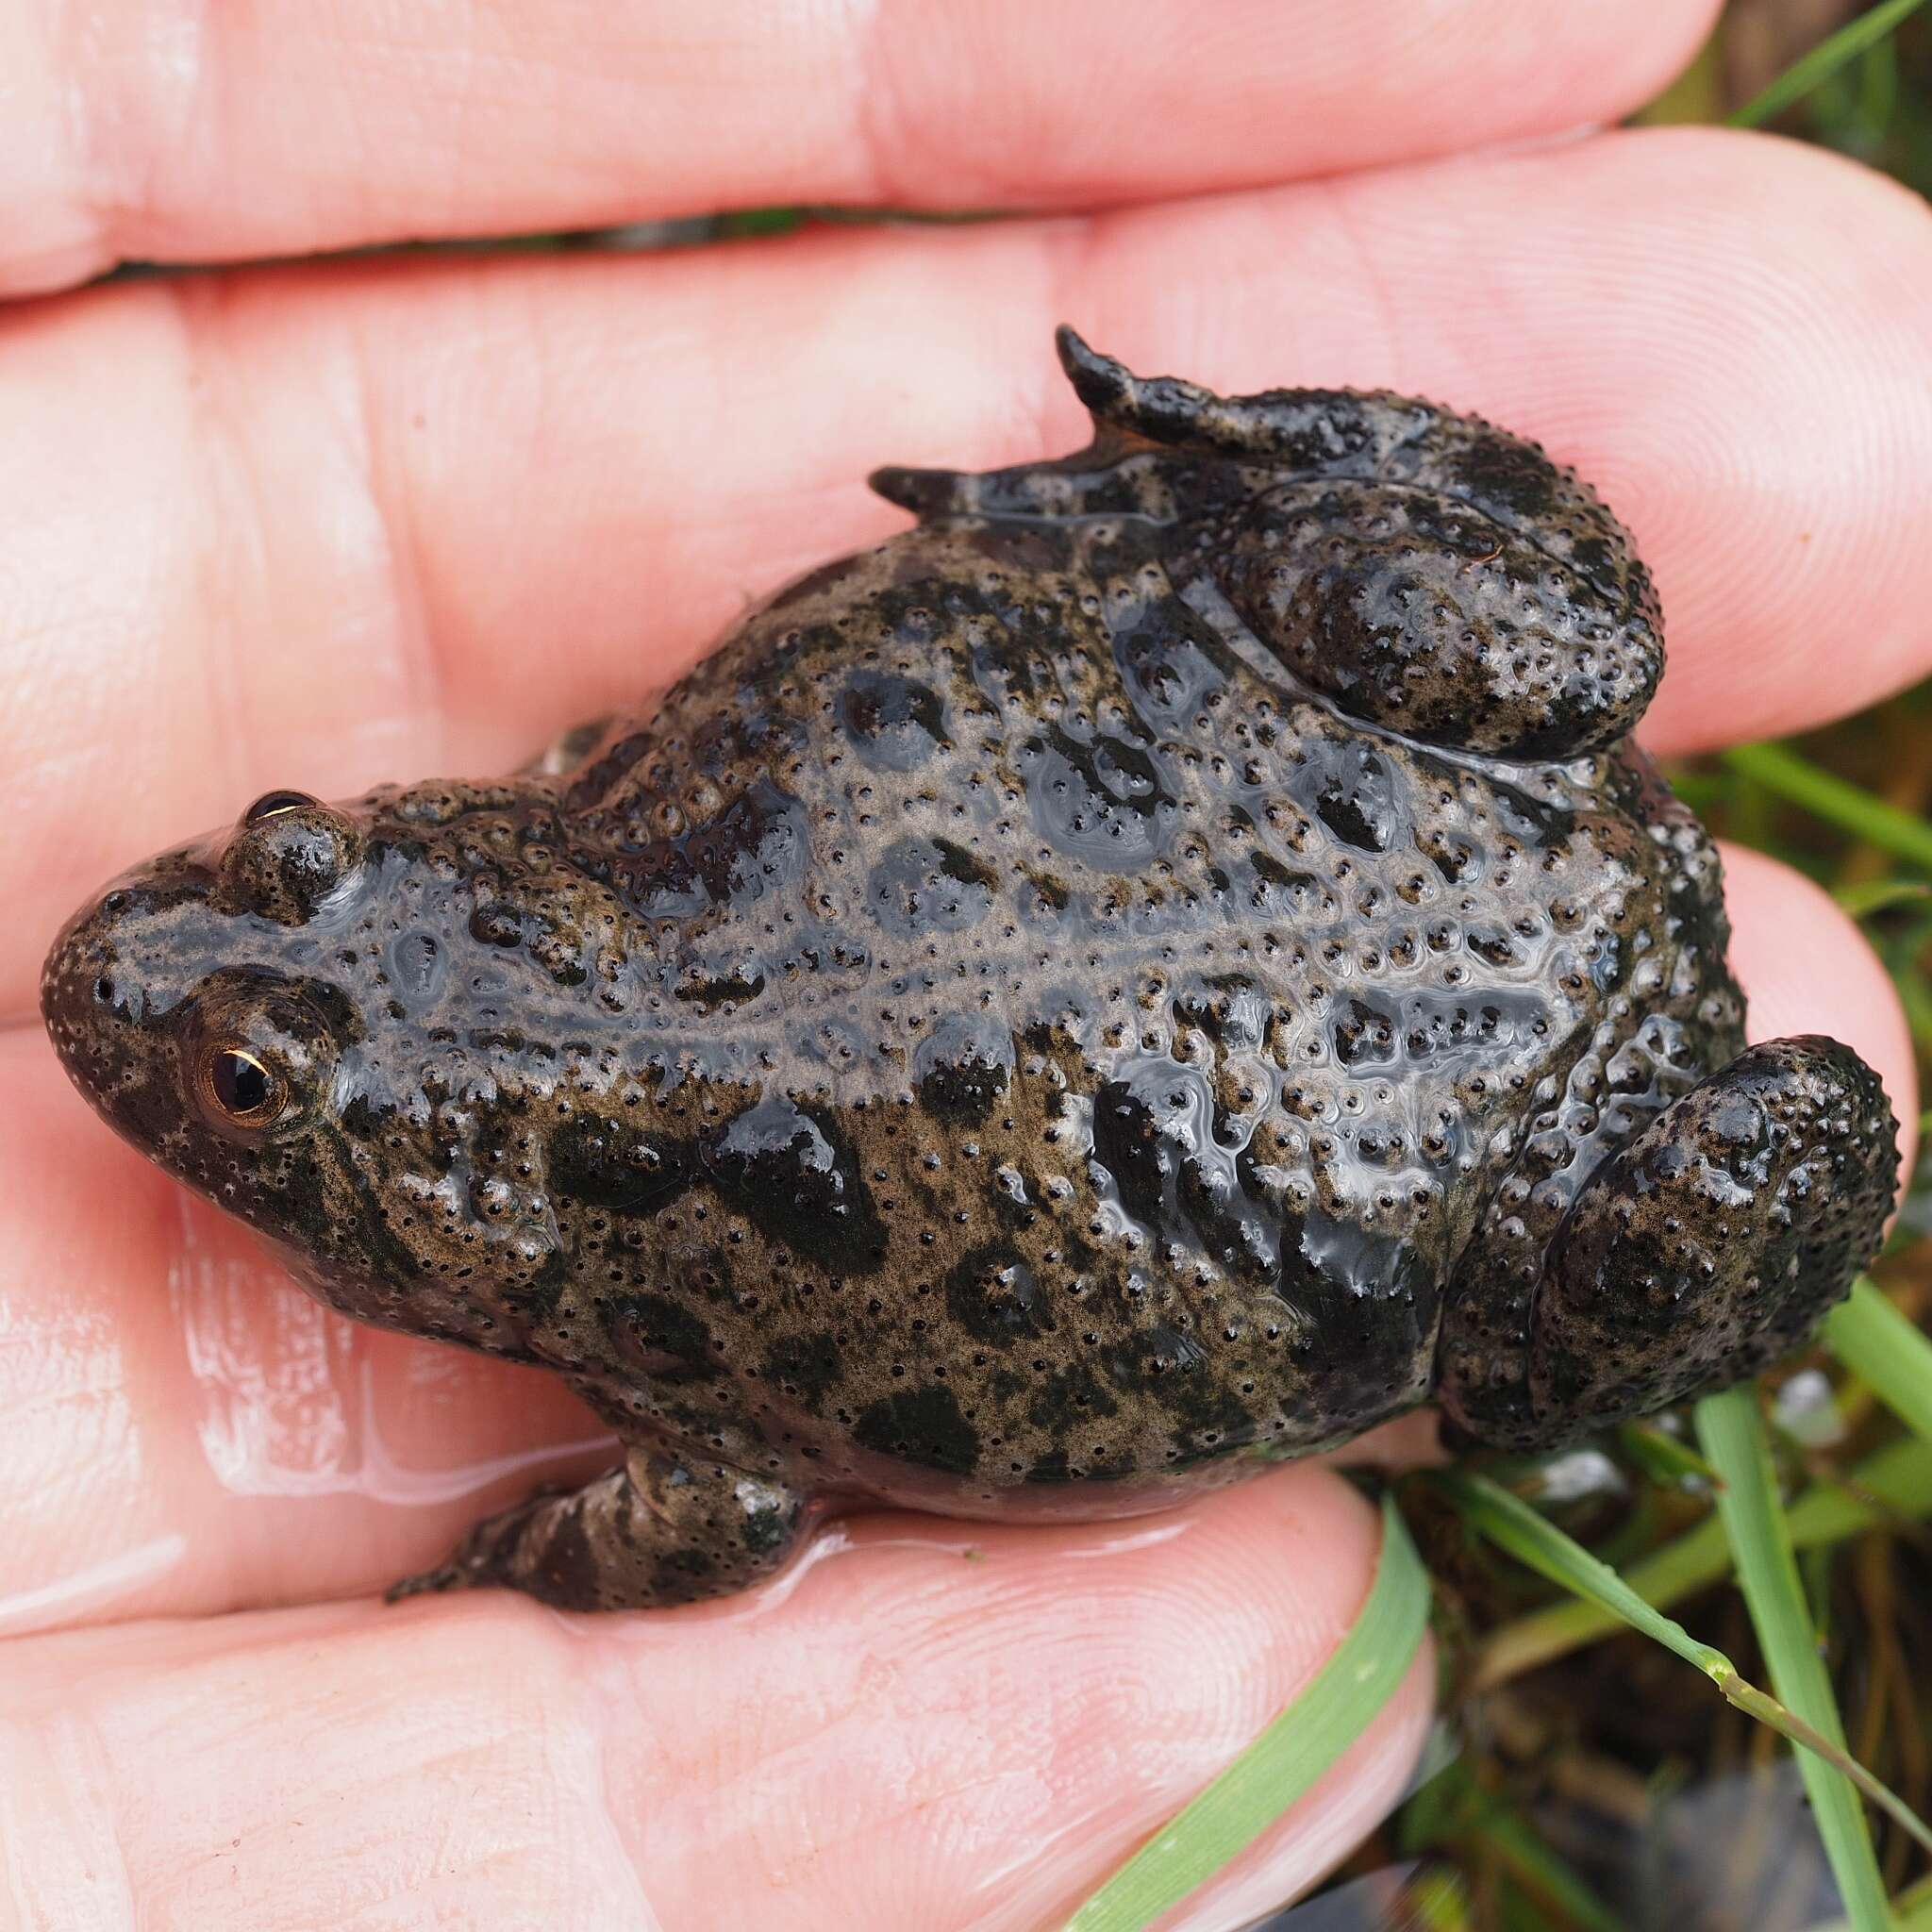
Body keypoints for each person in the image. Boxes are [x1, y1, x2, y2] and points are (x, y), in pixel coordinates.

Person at [0, 2, 1924, 1924]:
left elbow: (719, 1514)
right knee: (1567, 660)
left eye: (296, 858)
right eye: (256, 1065)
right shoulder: (650, 801)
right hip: (1432, 799)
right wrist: (1203, 512)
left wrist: (511, 1559)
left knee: (1530, 1328)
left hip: (1545, 1151)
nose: (141, 954)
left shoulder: (669, 1268)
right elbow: (720, 1511)